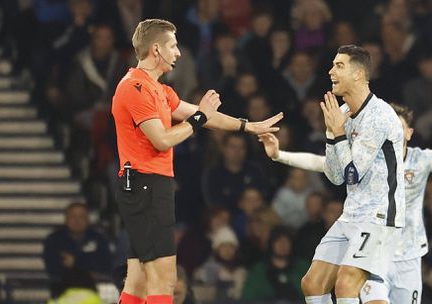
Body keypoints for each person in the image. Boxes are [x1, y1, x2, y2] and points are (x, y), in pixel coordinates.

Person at [111, 18, 283, 304]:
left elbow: (208, 118)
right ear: (156, 49)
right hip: (146, 185)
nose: (178, 52)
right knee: (164, 281)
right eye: (173, 46)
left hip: (145, 187)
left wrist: (248, 126)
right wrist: (200, 116)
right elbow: (162, 139)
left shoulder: (160, 90)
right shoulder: (135, 87)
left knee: (138, 280)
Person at [258, 102, 432, 304]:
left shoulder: (421, 159)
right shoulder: (368, 159)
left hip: (409, 255)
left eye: (400, 128)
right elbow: (323, 163)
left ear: (409, 133)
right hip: (377, 250)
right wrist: (281, 155)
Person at [261, 44, 407, 304]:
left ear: (359, 75)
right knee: (312, 283)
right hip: (352, 213)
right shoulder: (340, 113)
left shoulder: (379, 116)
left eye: (339, 66)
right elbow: (335, 176)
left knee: (346, 284)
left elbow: (352, 175)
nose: (330, 72)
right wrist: (332, 135)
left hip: (379, 215)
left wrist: (338, 133)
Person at [43, 202, 112, 297]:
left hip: (95, 288)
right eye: (73, 217)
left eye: (81, 217)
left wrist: (76, 261)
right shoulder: (54, 240)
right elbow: (53, 268)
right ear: (66, 219)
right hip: (64, 289)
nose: (77, 220)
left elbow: (104, 264)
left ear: (88, 219)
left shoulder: (98, 239)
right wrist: (87, 267)